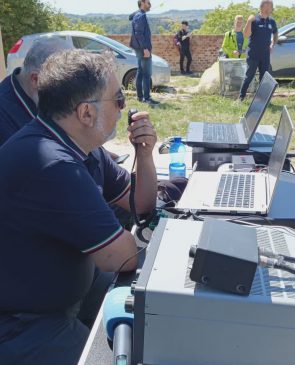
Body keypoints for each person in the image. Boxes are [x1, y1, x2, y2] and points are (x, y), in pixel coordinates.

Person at [0, 50, 157, 365]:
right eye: (119, 100)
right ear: (86, 113)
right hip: (22, 324)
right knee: (117, 356)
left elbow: (139, 203)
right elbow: (120, 256)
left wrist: (145, 153)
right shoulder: (49, 161)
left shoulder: (79, 146)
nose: (125, 108)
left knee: (151, 323)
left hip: (64, 294)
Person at [239, 0, 278, 101]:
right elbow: (246, 35)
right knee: (249, 76)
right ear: (264, 7)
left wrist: (273, 44)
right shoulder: (254, 19)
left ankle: (261, 99)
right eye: (270, 6)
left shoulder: (271, 21)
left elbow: (275, 33)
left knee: (264, 77)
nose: (272, 8)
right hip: (253, 53)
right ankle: (241, 97)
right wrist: (248, 21)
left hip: (265, 54)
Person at [129, 0, 159, 105]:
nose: (150, 5)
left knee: (140, 72)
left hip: (140, 49)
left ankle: (140, 97)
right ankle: (146, 98)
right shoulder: (140, 16)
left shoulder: (138, 15)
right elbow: (139, 34)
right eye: (148, 2)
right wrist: (145, 49)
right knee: (146, 74)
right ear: (142, 2)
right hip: (143, 49)